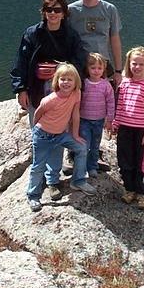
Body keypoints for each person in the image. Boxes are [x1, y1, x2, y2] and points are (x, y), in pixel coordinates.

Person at [11, 0, 87, 201]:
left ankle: (52, 180)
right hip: (36, 90)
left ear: (64, 13)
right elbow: (20, 63)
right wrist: (20, 88)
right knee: (39, 134)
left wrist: (59, 68)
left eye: (57, 10)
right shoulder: (32, 33)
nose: (52, 13)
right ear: (43, 12)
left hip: (61, 93)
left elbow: (80, 62)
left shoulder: (71, 36)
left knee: (56, 134)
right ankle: (39, 178)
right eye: (48, 10)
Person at [26, 63, 96, 212]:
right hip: (43, 135)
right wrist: (36, 133)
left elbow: (75, 114)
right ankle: (33, 196)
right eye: (62, 79)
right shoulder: (50, 99)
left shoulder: (76, 93)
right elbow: (37, 114)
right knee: (38, 166)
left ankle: (78, 181)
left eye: (70, 79)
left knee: (82, 147)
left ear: (76, 82)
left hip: (61, 135)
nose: (66, 82)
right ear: (57, 81)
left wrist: (75, 134)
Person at [112, 46, 144, 210]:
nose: (137, 67)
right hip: (124, 129)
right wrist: (116, 123)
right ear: (128, 64)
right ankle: (129, 189)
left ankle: (143, 193)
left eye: (141, 64)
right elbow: (120, 106)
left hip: (141, 132)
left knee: (141, 164)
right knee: (124, 160)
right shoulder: (124, 83)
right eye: (134, 63)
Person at [68, 0, 123, 89]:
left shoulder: (110, 9)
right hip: (79, 64)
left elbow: (115, 40)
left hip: (102, 64)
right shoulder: (70, 11)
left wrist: (118, 70)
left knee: (105, 100)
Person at [79, 53, 115, 177]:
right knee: (84, 145)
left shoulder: (106, 85)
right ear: (87, 68)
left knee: (95, 145)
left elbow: (110, 102)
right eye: (93, 68)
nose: (96, 71)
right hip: (84, 120)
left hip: (99, 121)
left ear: (104, 69)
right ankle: (81, 167)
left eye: (99, 68)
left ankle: (92, 167)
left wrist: (110, 119)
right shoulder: (84, 83)